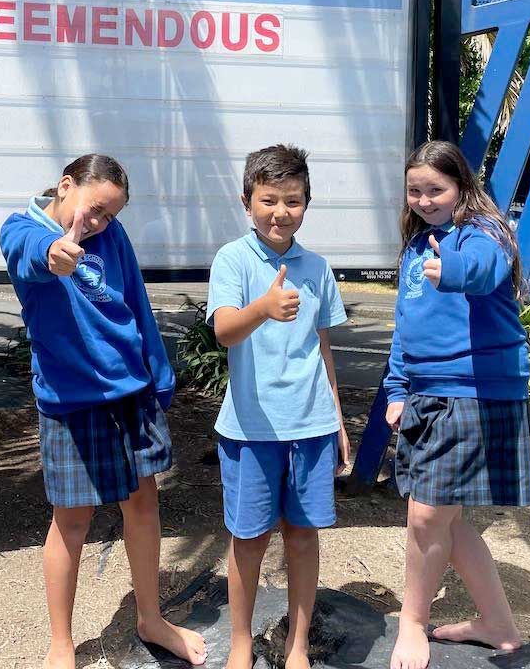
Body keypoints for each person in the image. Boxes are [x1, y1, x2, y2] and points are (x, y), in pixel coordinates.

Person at [0, 154, 205, 669]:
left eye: (109, 215)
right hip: (72, 403)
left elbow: (135, 300)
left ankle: (150, 617)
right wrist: (54, 251)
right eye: (94, 209)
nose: (98, 223)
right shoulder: (23, 229)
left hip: (131, 392)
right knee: (71, 522)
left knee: (144, 505)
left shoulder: (112, 237)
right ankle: (61, 644)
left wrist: (159, 377)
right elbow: (27, 252)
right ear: (66, 186)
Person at [384, 140, 530, 669]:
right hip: (427, 391)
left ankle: (412, 625)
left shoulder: (482, 233)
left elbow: (484, 269)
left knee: (426, 517)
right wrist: (399, 387)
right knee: (447, 519)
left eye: (436, 189)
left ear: (462, 188)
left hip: (473, 387)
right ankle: (498, 624)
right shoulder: (415, 245)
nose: (425, 200)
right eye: (415, 191)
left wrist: (451, 271)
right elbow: (407, 322)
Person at [206, 145, 350, 669]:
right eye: (269, 200)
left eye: (293, 200)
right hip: (249, 428)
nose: (280, 212)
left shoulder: (316, 267)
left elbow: (323, 347)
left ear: (307, 204)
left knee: (303, 536)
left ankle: (298, 645)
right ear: (247, 202)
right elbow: (224, 330)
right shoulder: (233, 259)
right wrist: (263, 308)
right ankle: (241, 642)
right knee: (248, 539)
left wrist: (336, 420)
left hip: (310, 424)